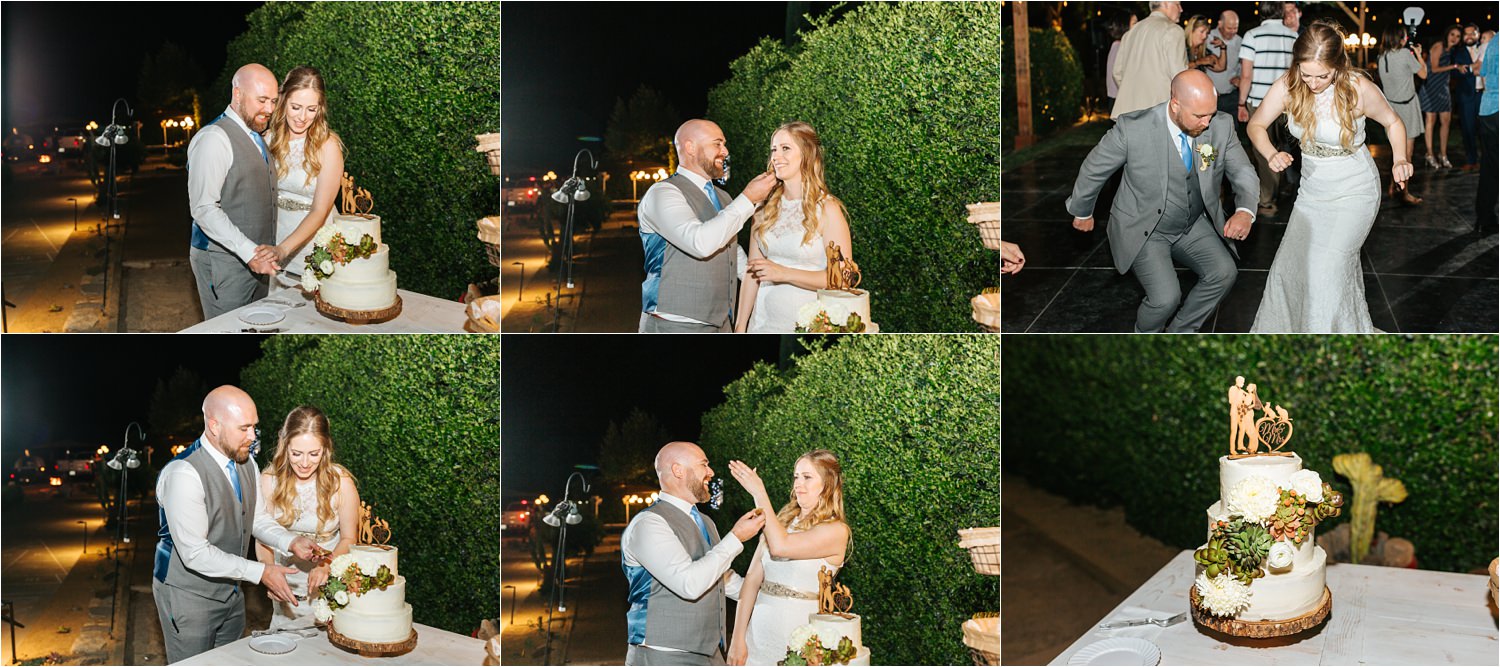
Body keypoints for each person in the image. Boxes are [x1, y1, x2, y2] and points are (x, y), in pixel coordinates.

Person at [1248, 22, 1413, 333]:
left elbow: (1393, 122)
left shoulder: (1357, 88)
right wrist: (1271, 153)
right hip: (1312, 191)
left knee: (1327, 270)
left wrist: (1401, 158)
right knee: (1290, 269)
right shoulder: (1288, 85)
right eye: (1306, 73)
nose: (1313, 82)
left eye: (1321, 75)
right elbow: (1255, 125)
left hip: (1354, 190)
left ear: (1338, 64)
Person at [1066, 70, 1259, 333]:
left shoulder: (1220, 125)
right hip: (1146, 228)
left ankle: (1180, 334)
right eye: (1199, 115)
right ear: (1175, 104)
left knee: (1223, 273)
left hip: (1191, 223)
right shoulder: (1133, 128)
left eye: (1211, 114)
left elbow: (1242, 171)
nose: (1207, 122)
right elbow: (1094, 168)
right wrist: (1083, 211)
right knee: (1165, 298)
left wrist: (1245, 211)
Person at [153, 386, 318, 663]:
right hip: (187, 596)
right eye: (244, 428)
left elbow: (257, 519)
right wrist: (262, 571)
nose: (252, 437)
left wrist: (289, 541)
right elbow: (195, 553)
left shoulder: (247, 463)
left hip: (231, 592)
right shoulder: (183, 473)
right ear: (214, 425)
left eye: (254, 427)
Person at [621, 441, 767, 665]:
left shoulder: (706, 522)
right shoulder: (648, 524)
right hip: (663, 655)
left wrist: (775, 594)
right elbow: (689, 584)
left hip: (710, 653)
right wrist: (736, 537)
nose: (711, 472)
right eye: (704, 465)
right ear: (678, 470)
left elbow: (722, 579)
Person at [638, 120, 778, 333]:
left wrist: (774, 283)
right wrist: (748, 198)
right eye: (717, 144)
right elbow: (699, 243)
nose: (725, 151)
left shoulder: (723, 197)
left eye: (724, 144)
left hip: (722, 323)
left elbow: (732, 253)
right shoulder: (662, 193)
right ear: (690, 147)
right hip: (676, 324)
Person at [725, 451, 852, 666]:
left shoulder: (836, 530)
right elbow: (753, 578)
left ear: (828, 485)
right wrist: (738, 639)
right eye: (796, 477)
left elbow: (780, 547)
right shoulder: (781, 521)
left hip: (797, 638)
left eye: (807, 477)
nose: (798, 484)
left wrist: (759, 493)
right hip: (756, 635)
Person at [733, 122, 851, 333]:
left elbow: (841, 279)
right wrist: (741, 326)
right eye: (774, 150)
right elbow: (753, 272)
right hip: (761, 324)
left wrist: (784, 273)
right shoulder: (764, 208)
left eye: (785, 148)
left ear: (807, 154)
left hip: (808, 325)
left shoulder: (828, 209)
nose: (776, 157)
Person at [187, 64, 283, 319]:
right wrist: (249, 252)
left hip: (256, 264)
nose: (270, 109)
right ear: (238, 94)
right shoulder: (213, 139)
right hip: (223, 264)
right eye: (262, 100)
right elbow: (204, 209)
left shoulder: (256, 135)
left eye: (274, 101)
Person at [254, 406, 360, 629]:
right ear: (285, 446)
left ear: (326, 449)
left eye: (314, 454)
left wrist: (327, 564)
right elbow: (263, 537)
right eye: (296, 453)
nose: (304, 463)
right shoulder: (269, 480)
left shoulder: (342, 483)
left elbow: (350, 539)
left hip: (330, 587)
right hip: (287, 588)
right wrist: (268, 571)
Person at [264, 67, 344, 292]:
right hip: (276, 235)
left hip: (313, 242)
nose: (302, 117)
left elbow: (320, 210)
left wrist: (283, 249)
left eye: (311, 109)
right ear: (283, 100)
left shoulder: (328, 147)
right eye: (296, 107)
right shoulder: (268, 140)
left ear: (320, 108)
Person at [1238, 2, 1301, 217]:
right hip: (1286, 103)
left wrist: (1241, 103)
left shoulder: (1252, 36)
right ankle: (1282, 188)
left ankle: (1266, 198)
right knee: (1281, 146)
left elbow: (1246, 75)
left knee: (1264, 151)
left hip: (1258, 103)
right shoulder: (1293, 36)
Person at [1110, 1, 1188, 117]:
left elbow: (1117, 73)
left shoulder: (1131, 32)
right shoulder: (1173, 30)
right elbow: (1179, 76)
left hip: (1129, 113)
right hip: (1159, 113)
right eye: (1178, 4)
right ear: (1166, 3)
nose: (1181, 9)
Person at [1377, 24, 1427, 205]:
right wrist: (1419, 55)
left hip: (1390, 110)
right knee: (1406, 155)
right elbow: (1423, 73)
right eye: (1405, 36)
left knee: (1396, 153)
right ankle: (1404, 193)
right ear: (1400, 38)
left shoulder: (1381, 56)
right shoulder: (1406, 54)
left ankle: (1393, 186)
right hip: (1406, 108)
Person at [1420, 26, 1463, 169]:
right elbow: (1434, 68)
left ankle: (1443, 155)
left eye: (1457, 36)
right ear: (1447, 34)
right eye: (1452, 34)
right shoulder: (1439, 46)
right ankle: (1430, 154)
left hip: (1443, 88)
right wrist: (1454, 66)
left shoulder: (1453, 51)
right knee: (1430, 121)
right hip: (1431, 87)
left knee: (1446, 121)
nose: (1454, 38)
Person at [1453, 24, 1483, 170]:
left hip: (1485, 95)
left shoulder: (1487, 48)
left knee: (1487, 129)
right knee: (1468, 129)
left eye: (1473, 33)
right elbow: (1455, 72)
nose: (1469, 36)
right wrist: (1473, 69)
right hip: (1466, 96)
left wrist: (1469, 68)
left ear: (1478, 34)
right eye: (1466, 34)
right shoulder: (1457, 52)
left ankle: (1489, 160)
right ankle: (1472, 160)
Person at [1477, 29, 1498, 233]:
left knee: (1490, 167)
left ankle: (1485, 217)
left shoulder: (1493, 42)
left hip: (1487, 109)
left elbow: (1482, 75)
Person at [1206, 11, 1244, 122]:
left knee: (1231, 129)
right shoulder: (1208, 38)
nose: (1233, 32)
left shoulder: (1240, 41)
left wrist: (1240, 77)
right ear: (1220, 24)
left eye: (1235, 28)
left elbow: (1243, 65)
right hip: (1210, 96)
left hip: (1231, 96)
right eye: (1229, 28)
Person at [1104, 13, 1134, 112]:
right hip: (1119, 101)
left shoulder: (1118, 45)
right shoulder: (1119, 47)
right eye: (1134, 23)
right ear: (1123, 27)